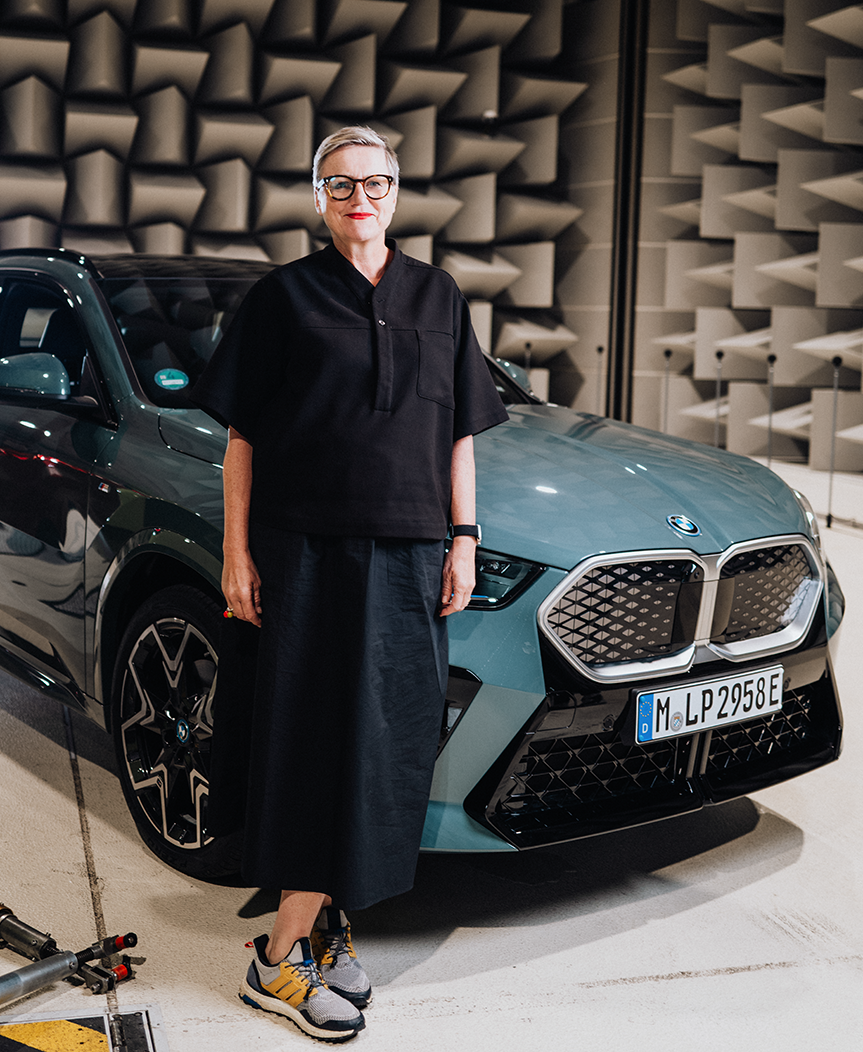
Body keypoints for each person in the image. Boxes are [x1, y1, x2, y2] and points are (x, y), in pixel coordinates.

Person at [192, 125, 508, 1042]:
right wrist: (236, 552)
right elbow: (242, 441)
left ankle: (328, 925)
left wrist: (464, 540)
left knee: (386, 748)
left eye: (375, 182)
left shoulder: (439, 297)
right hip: (306, 555)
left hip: (411, 556)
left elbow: (458, 435)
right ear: (318, 196)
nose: (359, 198)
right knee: (309, 741)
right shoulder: (282, 299)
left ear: (398, 192)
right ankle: (276, 958)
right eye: (340, 185)